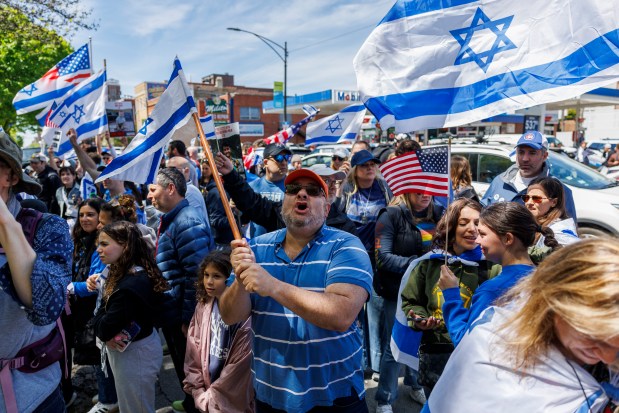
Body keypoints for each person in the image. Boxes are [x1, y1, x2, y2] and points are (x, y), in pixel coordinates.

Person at [220, 168, 373, 412]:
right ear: (283, 204)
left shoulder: (346, 246)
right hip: (272, 396)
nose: (302, 193)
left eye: (313, 191)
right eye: (293, 189)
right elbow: (229, 316)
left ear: (326, 209)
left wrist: (273, 286)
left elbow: (341, 315)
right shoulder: (256, 247)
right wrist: (240, 279)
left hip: (335, 396)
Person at [423, 238, 619, 413]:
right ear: (553, 303)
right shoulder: (491, 332)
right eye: (592, 336)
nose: (607, 356)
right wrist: (451, 297)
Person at [0, 130, 72, 412]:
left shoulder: (47, 228)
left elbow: (44, 304)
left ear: (11, 177)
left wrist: (6, 225)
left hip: (33, 396)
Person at [399, 199, 500, 393]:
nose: (473, 229)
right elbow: (411, 302)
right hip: (436, 354)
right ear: (451, 227)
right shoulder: (429, 264)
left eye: (478, 223)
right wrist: (419, 319)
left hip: (476, 355)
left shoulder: (492, 266)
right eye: (463, 223)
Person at [437, 202, 559, 348]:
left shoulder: (493, 291)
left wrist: (451, 295)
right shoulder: (546, 279)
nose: (477, 240)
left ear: (508, 239)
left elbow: (466, 342)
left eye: (482, 234)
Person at [147, 167, 213, 413]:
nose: (150, 196)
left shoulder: (186, 221)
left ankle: (197, 407)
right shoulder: (174, 219)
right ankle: (189, 403)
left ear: (171, 189)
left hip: (182, 314)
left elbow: (197, 276)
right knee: (185, 366)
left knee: (195, 368)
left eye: (154, 190)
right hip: (174, 310)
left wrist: (189, 318)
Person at [372, 191, 445, 412]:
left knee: (421, 341)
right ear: (406, 189)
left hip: (429, 291)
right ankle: (384, 398)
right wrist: (419, 264)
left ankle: (415, 383)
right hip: (397, 290)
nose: (425, 194)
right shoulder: (390, 215)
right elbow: (381, 257)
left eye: (429, 189)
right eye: (419, 189)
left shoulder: (441, 213)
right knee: (394, 346)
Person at [93, 221, 169, 413]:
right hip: (134, 350)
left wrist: (100, 314)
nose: (99, 250)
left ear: (125, 246)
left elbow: (103, 329)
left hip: (135, 356)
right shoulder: (127, 273)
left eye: (104, 244)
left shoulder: (129, 286)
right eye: (98, 245)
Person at [214, 153, 357, 236]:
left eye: (334, 182)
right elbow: (252, 202)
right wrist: (231, 174)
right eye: (324, 181)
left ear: (327, 210)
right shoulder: (283, 214)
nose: (331, 187)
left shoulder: (343, 226)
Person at [183, 250, 254, 413]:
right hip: (206, 388)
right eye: (206, 275)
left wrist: (209, 399)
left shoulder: (244, 315)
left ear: (230, 279)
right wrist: (198, 389)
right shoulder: (204, 305)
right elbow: (193, 349)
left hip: (229, 398)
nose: (209, 281)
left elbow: (238, 371)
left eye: (216, 276)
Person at [68, 198, 120, 413]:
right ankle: (109, 394)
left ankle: (109, 401)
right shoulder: (81, 240)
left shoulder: (102, 242)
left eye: (90, 214)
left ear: (101, 217)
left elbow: (96, 282)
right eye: (81, 215)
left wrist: (71, 288)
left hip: (96, 309)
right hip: (83, 311)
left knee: (101, 357)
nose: (85, 219)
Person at [481, 131, 577, 220]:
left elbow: (568, 232)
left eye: (532, 153)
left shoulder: (560, 190)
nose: (525, 159)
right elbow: (482, 215)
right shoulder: (500, 181)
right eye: (521, 152)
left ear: (544, 156)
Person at [248, 143, 291, 238]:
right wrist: (235, 209)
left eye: (287, 157)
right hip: (258, 247)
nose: (284, 162)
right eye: (279, 158)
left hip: (284, 246)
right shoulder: (252, 187)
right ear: (266, 162)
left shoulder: (294, 188)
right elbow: (243, 218)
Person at [523, 177, 579, 249]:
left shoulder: (560, 234)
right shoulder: (529, 224)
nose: (529, 203)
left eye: (536, 198)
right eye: (526, 198)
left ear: (554, 202)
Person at [167, 156, 210, 227]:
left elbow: (193, 225)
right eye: (166, 170)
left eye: (173, 169)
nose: (168, 173)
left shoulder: (190, 192)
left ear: (186, 171)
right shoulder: (181, 190)